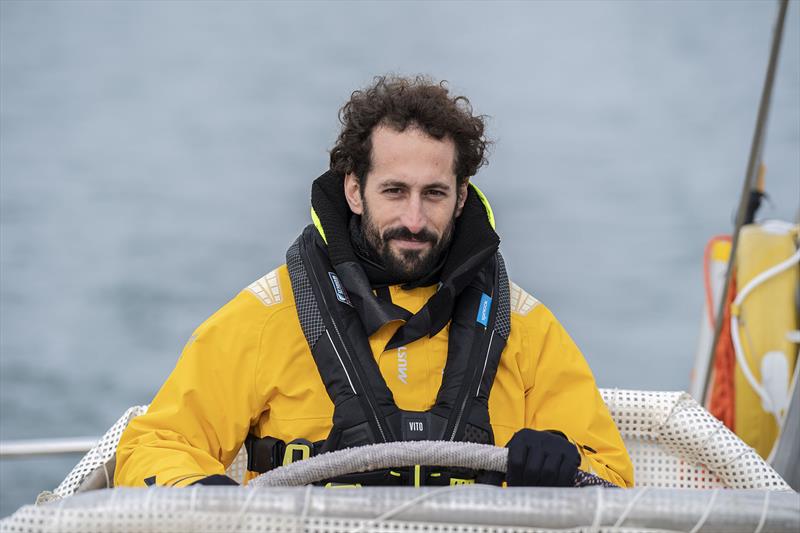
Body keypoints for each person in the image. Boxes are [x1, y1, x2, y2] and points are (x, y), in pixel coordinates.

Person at [115, 76, 634, 489]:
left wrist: (559, 473)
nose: (414, 218)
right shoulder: (266, 317)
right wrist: (209, 498)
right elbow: (153, 447)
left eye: (433, 193)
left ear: (460, 197)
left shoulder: (526, 330)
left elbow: (611, 476)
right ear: (354, 191)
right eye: (394, 190)